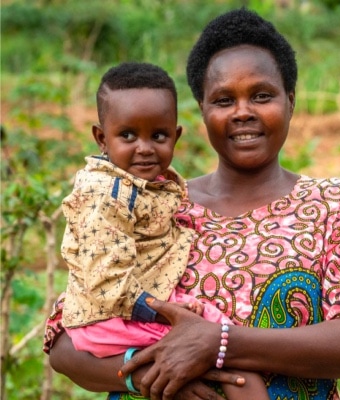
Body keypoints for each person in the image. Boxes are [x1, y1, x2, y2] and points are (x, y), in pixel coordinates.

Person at [45, 8, 340, 400]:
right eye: (223, 100)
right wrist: (159, 376)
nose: (243, 112)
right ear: (202, 110)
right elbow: (66, 341)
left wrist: (218, 342)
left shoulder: (331, 204)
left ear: (290, 101)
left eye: (262, 96)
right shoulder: (158, 206)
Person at [56, 61, 269, 400]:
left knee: (223, 354)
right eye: (128, 135)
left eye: (158, 136)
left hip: (132, 309)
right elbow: (106, 279)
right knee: (237, 367)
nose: (144, 148)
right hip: (118, 315)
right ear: (101, 137)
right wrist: (166, 310)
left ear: (176, 136)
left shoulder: (154, 189)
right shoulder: (107, 196)